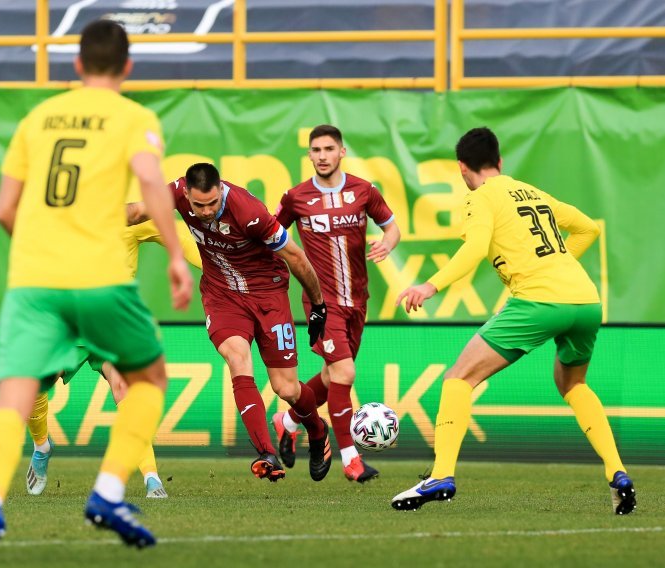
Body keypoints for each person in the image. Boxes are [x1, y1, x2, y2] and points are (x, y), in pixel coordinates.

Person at [0, 20, 193, 565]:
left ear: (77, 64)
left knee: (14, 397)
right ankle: (109, 493)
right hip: (101, 278)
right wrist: (177, 257)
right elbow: (153, 185)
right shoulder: (134, 117)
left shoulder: (37, 119)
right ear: (127, 66)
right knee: (149, 379)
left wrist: (42, 253)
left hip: (34, 283)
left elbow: (3, 210)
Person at [390, 127, 636, 515]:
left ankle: (441, 474)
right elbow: (588, 227)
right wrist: (559, 264)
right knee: (573, 383)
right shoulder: (531, 191)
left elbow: (473, 249)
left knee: (458, 378)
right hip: (586, 300)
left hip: (538, 300)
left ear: (461, 169)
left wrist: (430, 286)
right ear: (500, 162)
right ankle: (617, 472)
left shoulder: (480, 199)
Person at [128, 162, 332, 482]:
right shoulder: (176, 194)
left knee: (286, 387)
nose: (206, 211)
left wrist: (318, 304)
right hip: (222, 295)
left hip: (268, 295)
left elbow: (295, 256)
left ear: (221, 188)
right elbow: (137, 212)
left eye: (212, 203)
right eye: (199, 205)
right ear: (186, 195)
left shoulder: (249, 212)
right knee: (237, 357)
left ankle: (318, 431)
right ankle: (266, 452)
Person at [25, 221, 202, 499]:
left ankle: (152, 479)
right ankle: (42, 446)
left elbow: (174, 231)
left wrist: (213, 263)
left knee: (126, 390)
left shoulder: (127, 218)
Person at [272, 124, 400, 482]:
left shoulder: (364, 191)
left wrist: (388, 243)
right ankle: (350, 459)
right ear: (309, 155)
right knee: (344, 372)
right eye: (316, 150)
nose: (322, 156)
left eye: (329, 149)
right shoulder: (295, 198)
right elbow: (270, 237)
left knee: (331, 378)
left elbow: (392, 228)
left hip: (358, 301)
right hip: (321, 303)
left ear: (342, 152)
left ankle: (288, 420)